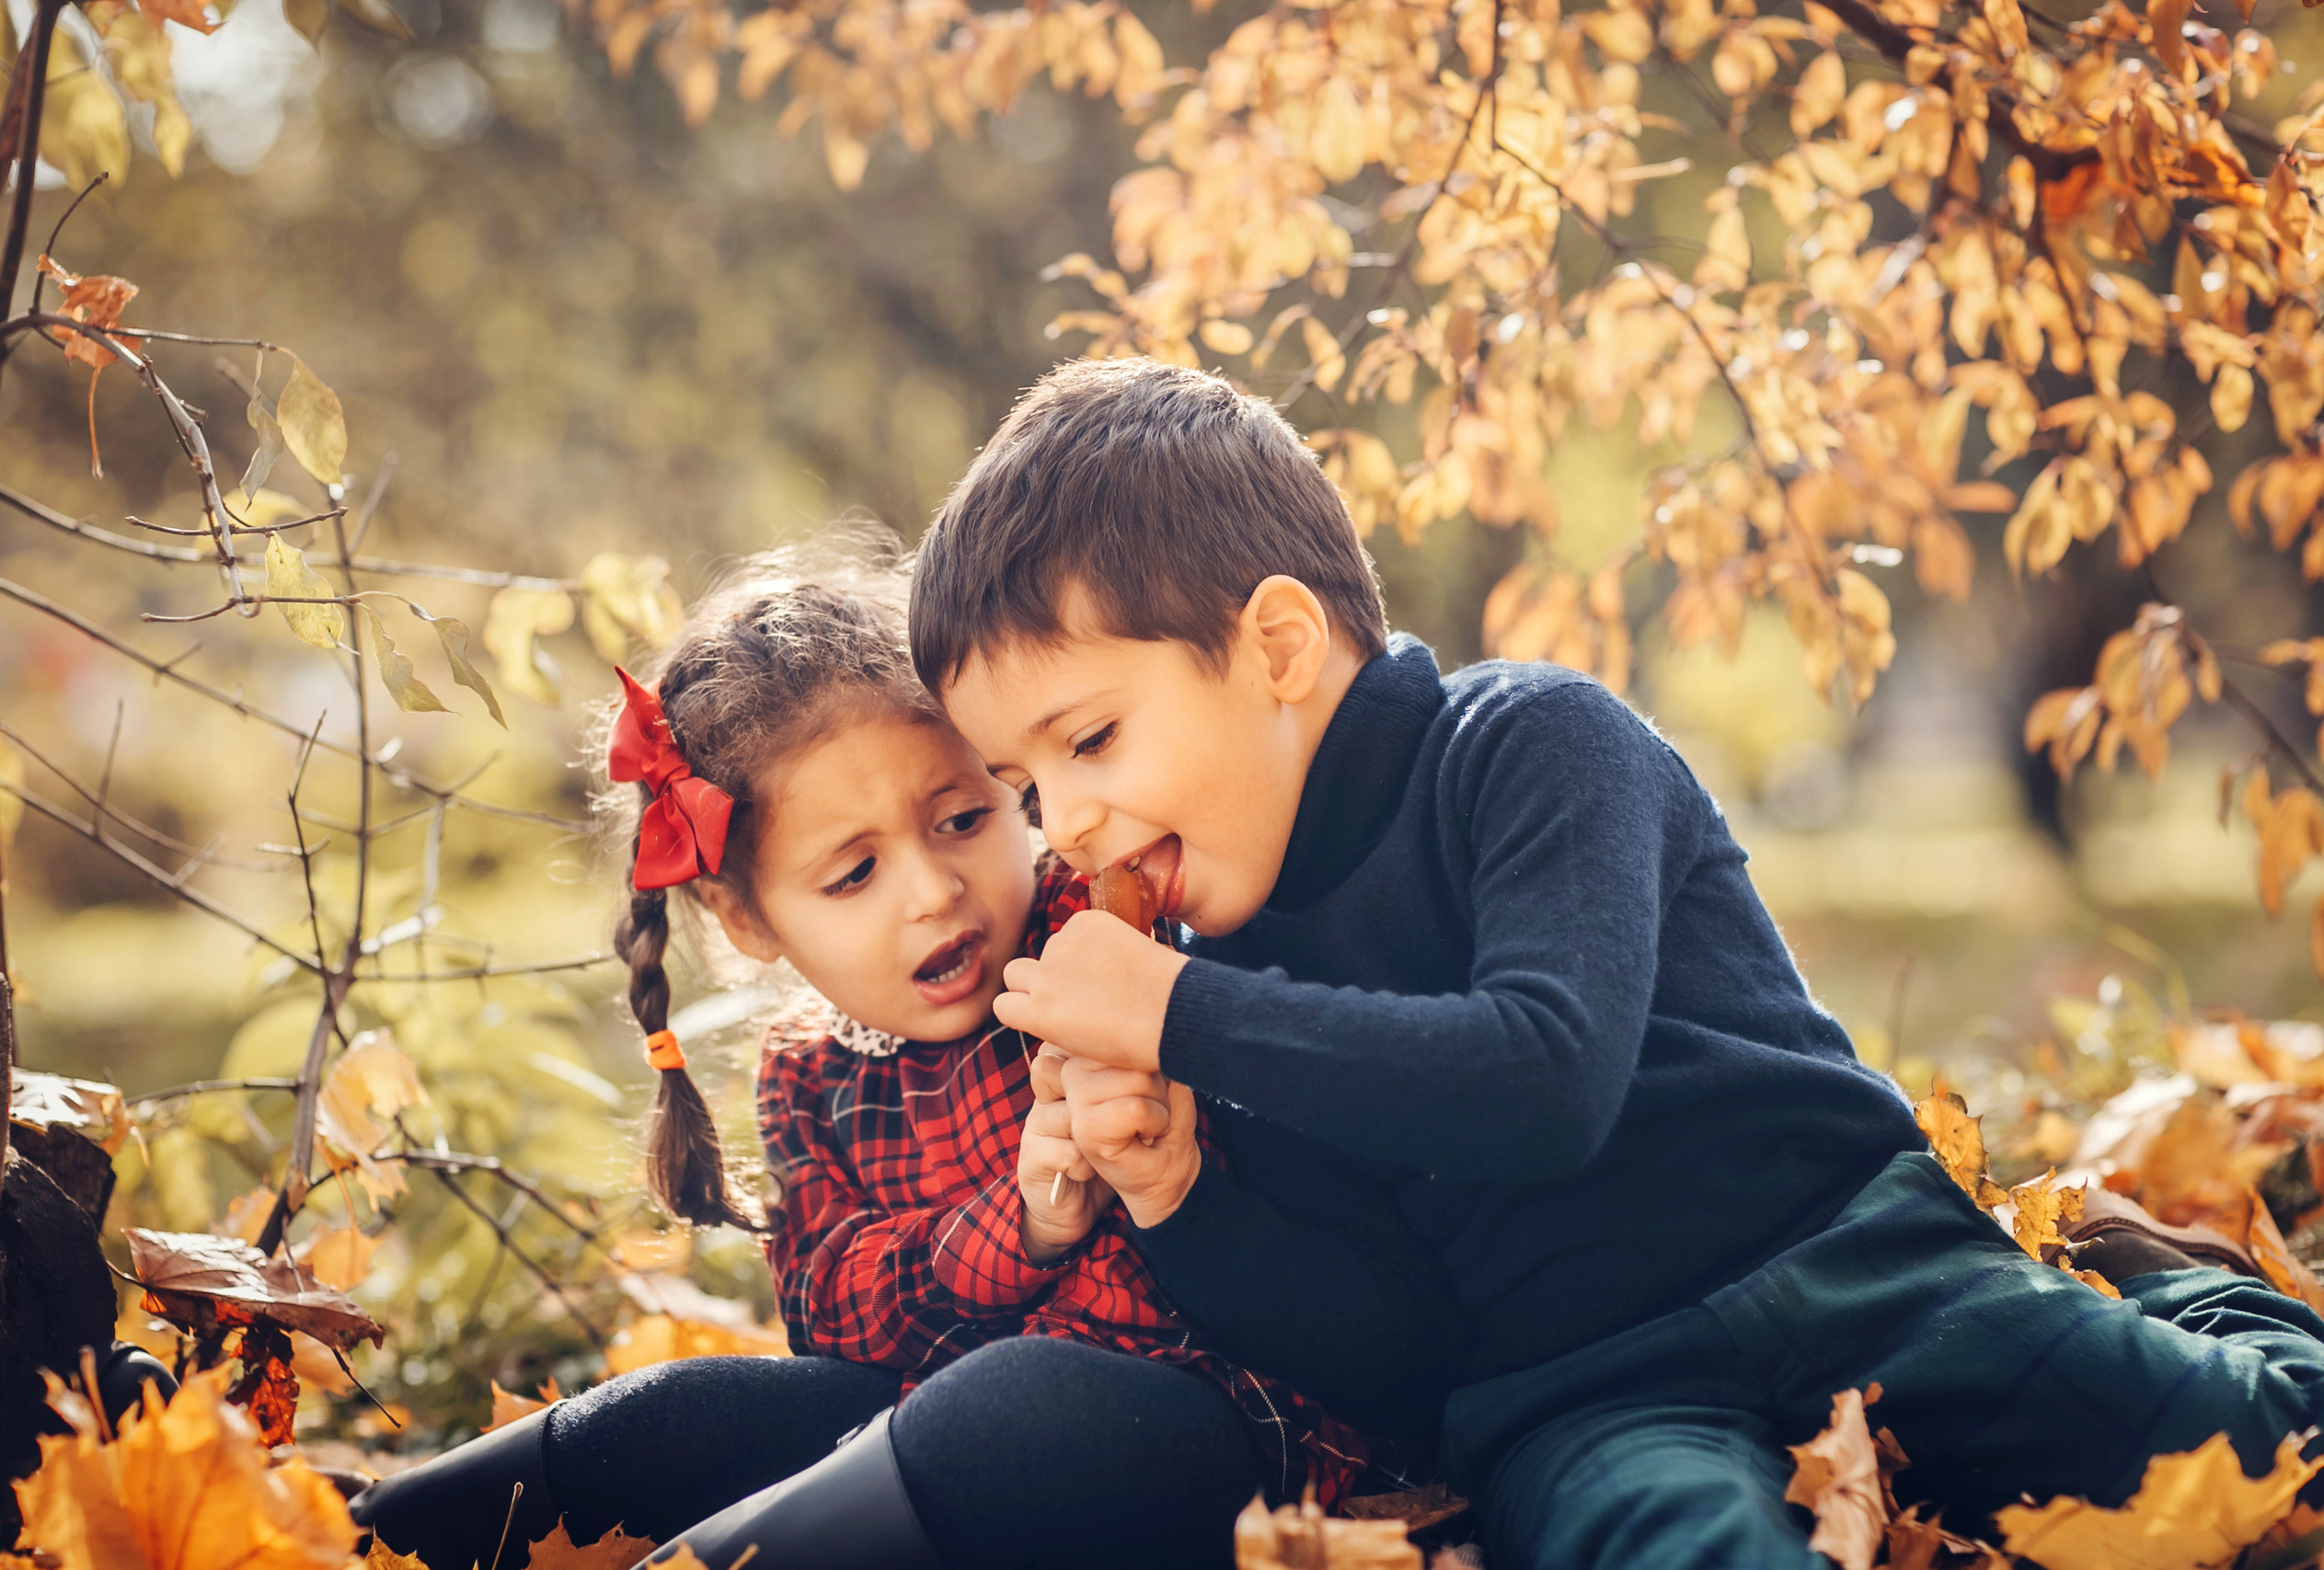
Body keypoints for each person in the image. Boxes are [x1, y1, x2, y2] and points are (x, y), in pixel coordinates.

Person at [903, 356, 2324, 1570]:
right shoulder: (1218, 981)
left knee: (2271, 1455)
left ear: (1277, 643)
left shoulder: (1528, 744)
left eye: (1089, 740)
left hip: (1857, 1256)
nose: (1065, 820)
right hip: (1581, 1395)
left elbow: (1544, 1075)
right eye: (1025, 782)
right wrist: (1182, 1189)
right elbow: (1397, 1348)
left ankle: (2166, 1283)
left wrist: (1191, 1012)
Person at [350, 545, 1444, 1570]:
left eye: (964, 819)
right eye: (852, 875)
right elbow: (834, 1316)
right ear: (749, 921)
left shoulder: (1114, 941)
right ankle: (344, 1539)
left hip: (1214, 1441)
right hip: (923, 1439)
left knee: (1010, 1401)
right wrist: (1020, 1226)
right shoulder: (807, 1076)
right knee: (694, 1411)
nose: (931, 891)